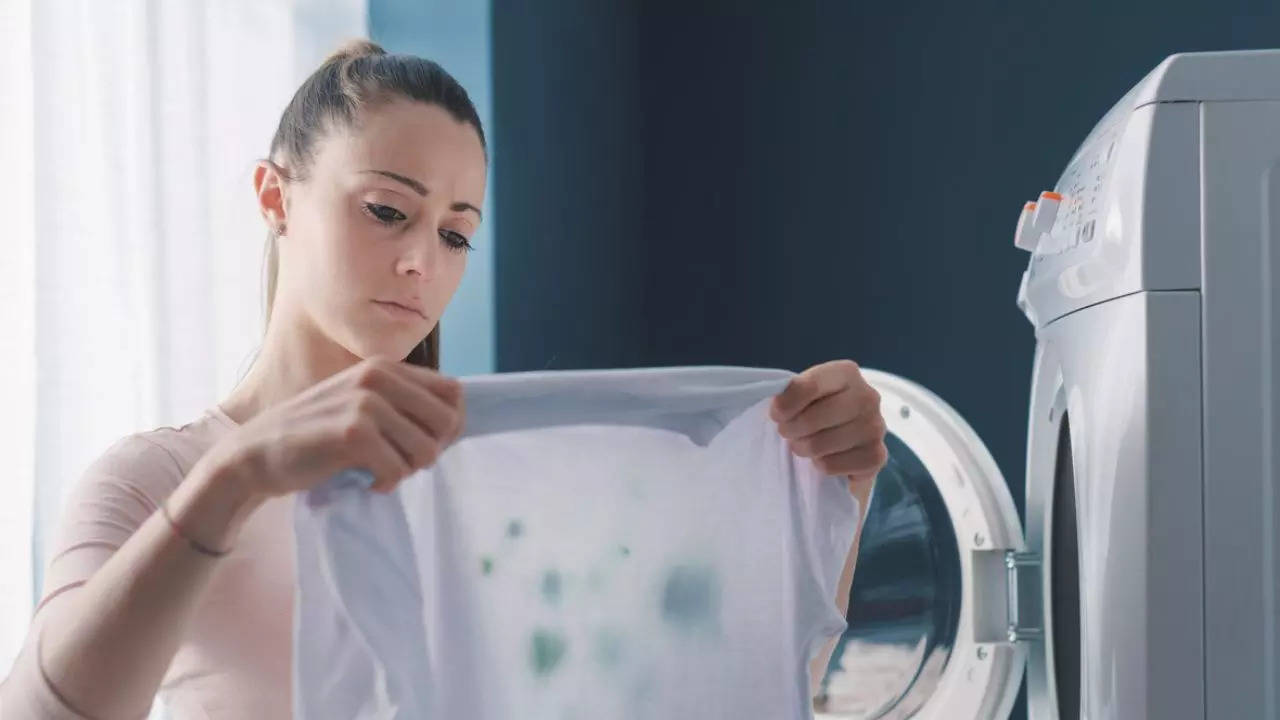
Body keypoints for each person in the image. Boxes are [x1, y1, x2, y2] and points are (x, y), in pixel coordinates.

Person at [0, 40, 887, 719]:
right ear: (275, 198)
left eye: (457, 233)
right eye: (387, 211)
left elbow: (730, 679)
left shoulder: (497, 489)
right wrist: (235, 478)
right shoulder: (158, 477)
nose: (423, 262)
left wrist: (836, 484)